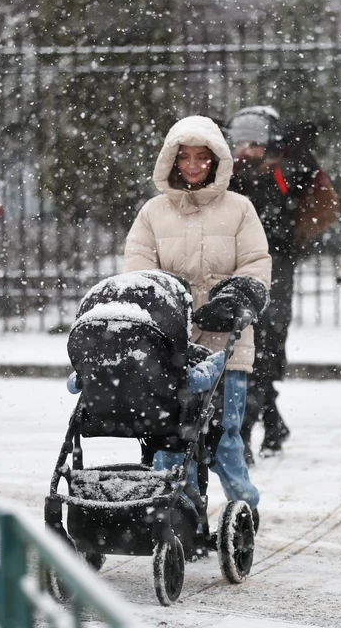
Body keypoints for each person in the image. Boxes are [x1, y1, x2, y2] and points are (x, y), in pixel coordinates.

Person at [123, 115, 271, 529]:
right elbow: (138, 268)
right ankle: (184, 515)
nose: (192, 166)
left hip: (227, 342)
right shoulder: (153, 213)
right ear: (171, 161)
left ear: (215, 161)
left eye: (201, 158)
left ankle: (244, 506)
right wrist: (165, 301)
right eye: (184, 157)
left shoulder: (239, 209)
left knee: (225, 437)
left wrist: (233, 299)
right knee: (173, 437)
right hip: (173, 342)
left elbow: (256, 264)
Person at [226, 106, 340, 463]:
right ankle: (271, 424)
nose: (245, 152)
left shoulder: (286, 173)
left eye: (253, 144)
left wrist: (291, 240)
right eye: (238, 144)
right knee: (243, 347)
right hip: (234, 269)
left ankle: (245, 433)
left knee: (263, 345)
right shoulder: (225, 176)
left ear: (271, 144)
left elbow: (319, 211)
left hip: (274, 271)